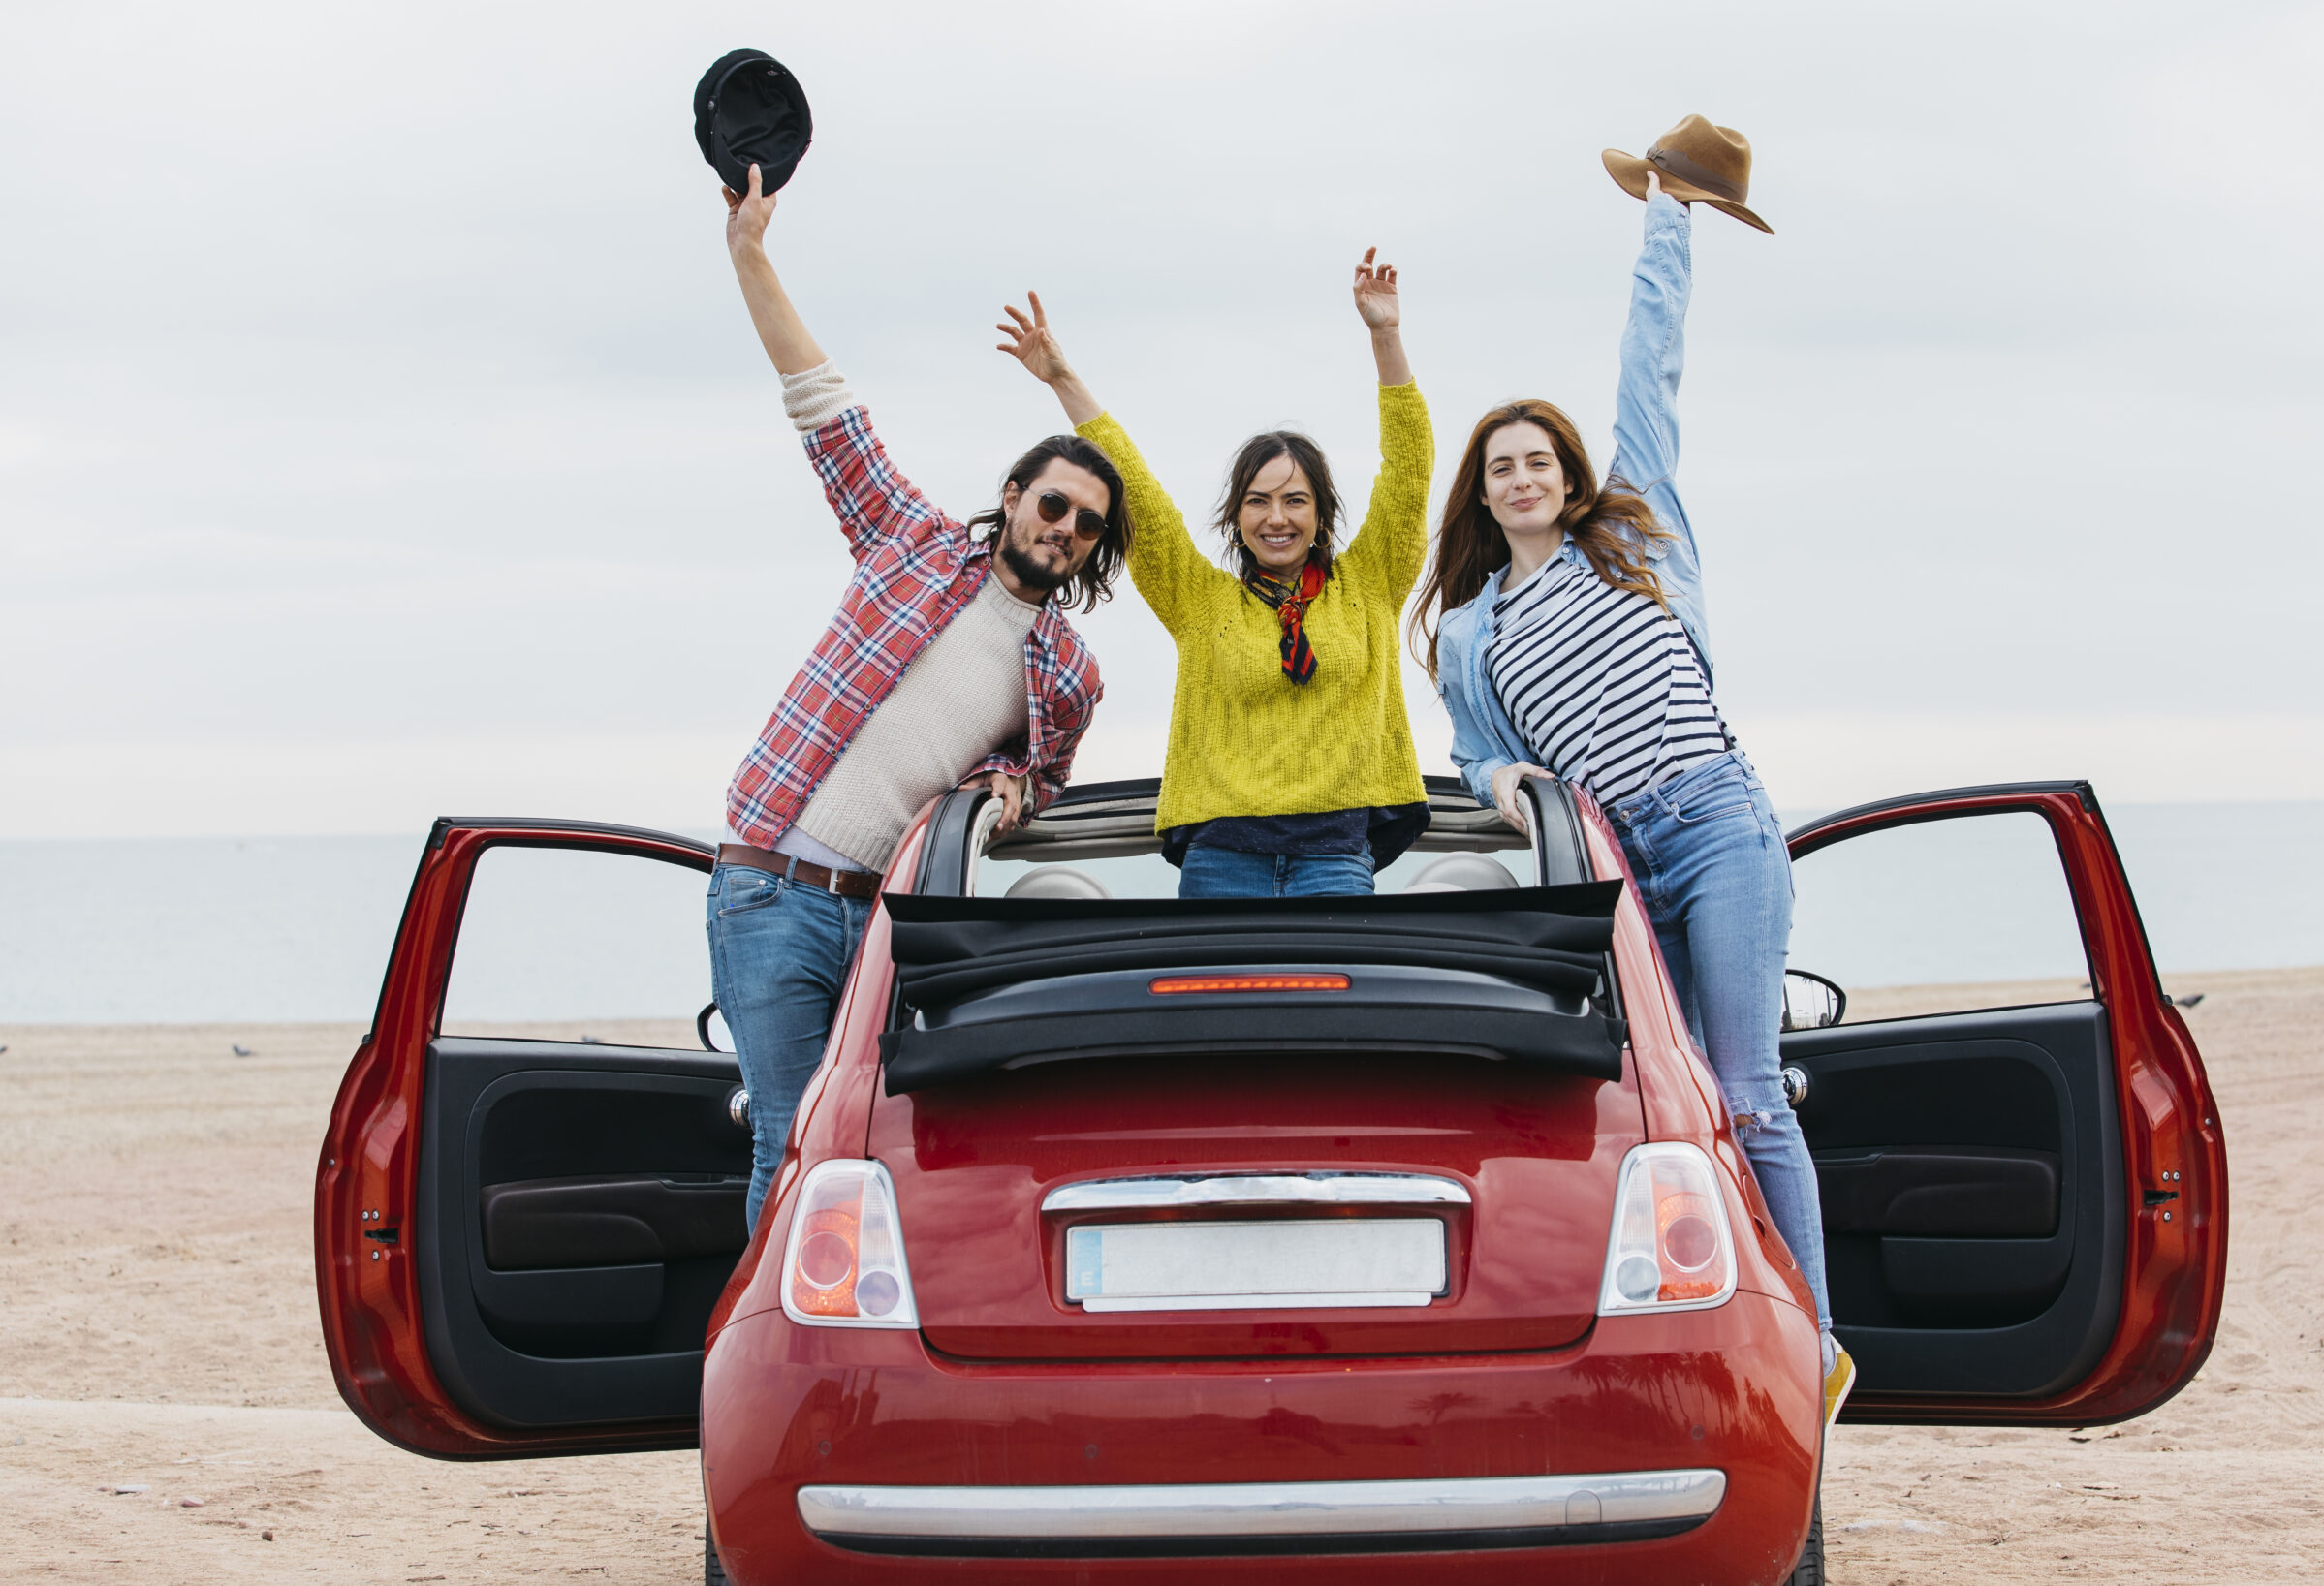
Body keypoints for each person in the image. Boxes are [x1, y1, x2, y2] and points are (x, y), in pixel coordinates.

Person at [1411, 117, 1851, 1408]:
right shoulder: (1471, 630)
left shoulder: (1637, 526)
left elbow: (1649, 359)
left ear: (1568, 471)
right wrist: (1495, 784)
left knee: (1750, 1092)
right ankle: (1699, 1341)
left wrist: (1667, 215)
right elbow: (1480, 757)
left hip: (1712, 820)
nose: (1524, 474)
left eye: (1539, 457)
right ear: (1484, 498)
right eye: (1502, 467)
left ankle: (1813, 1346)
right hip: (1620, 864)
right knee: (1667, 1105)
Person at [710, 164, 1128, 1225]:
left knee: (868, 1149)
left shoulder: (1067, 672)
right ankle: (758, 1378)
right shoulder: (909, 547)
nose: (1063, 530)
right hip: (771, 887)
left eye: (1084, 524)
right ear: (1012, 498)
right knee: (787, 1136)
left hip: (887, 924)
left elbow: (1038, 792)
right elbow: (824, 407)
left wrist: (1008, 792)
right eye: (1051, 504)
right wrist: (751, 258)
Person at [997, 250, 1434, 899]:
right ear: (1236, 516)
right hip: (1221, 862)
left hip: (1336, 859)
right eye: (1257, 501)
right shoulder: (1201, 601)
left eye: (1295, 500)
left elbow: (1409, 469)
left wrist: (1385, 335)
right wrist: (1063, 378)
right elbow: (1138, 495)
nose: (1276, 517)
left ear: (1321, 514)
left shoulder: (1369, 585)